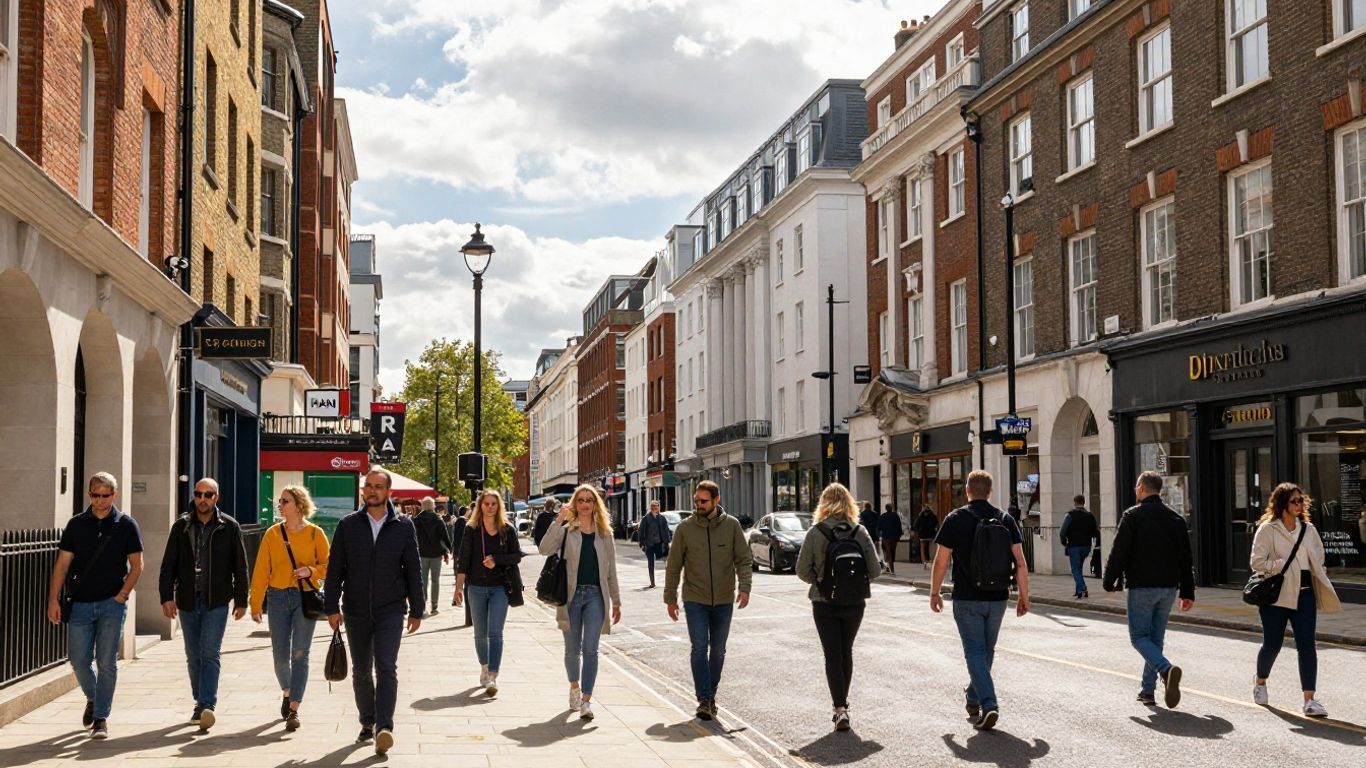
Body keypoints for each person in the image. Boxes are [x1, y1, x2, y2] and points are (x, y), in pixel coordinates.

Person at [324, 467, 424, 756]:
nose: (371, 491)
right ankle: (367, 721)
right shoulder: (348, 525)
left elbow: (413, 570)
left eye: (377, 486)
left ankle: (384, 727)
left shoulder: (404, 526)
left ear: (388, 492)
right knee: (361, 671)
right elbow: (335, 570)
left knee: (387, 667)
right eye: (368, 486)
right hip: (354, 610)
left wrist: (416, 609)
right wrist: (331, 607)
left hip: (391, 609)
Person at [46, 472, 144, 740]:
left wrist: (122, 595)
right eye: (95, 495)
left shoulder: (126, 525)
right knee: (78, 660)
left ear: (114, 495)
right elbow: (62, 565)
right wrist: (53, 599)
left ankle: (101, 718)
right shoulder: (76, 525)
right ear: (89, 494)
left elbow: (137, 565)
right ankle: (94, 697)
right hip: (80, 604)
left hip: (112, 604)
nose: (100, 501)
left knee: (106, 662)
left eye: (105, 495)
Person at [930, 470, 1029, 731]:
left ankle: (989, 704)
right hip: (998, 598)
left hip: (967, 597)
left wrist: (934, 592)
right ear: (990, 491)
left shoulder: (955, 518)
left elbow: (941, 561)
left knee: (975, 652)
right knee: (986, 651)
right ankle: (973, 697)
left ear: (967, 490)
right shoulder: (1005, 519)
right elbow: (1020, 562)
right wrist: (1024, 596)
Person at [158, 478, 249, 731]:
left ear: (216, 497)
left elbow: (240, 566)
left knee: (209, 652)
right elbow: (168, 565)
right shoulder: (181, 526)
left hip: (216, 601)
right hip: (187, 600)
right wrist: (166, 596)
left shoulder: (229, 527)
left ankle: (206, 705)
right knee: (193, 655)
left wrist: (242, 599)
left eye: (208, 495)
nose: (203, 499)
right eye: (199, 494)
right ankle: (200, 700)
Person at [1103, 471, 1195, 710]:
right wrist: (1188, 592)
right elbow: (1186, 559)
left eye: (1136, 488)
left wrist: (1109, 580)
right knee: (1155, 639)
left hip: (1142, 586)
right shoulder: (1175, 519)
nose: (1135, 491)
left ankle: (1165, 669)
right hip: (1168, 588)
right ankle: (1147, 691)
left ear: (1142, 489)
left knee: (1139, 638)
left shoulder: (1132, 516)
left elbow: (1119, 551)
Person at [1250, 483, 1341, 717]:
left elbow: (1318, 558)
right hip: (1277, 596)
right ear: (1282, 503)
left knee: (1307, 646)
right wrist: (1276, 566)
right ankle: (1260, 682)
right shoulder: (1268, 530)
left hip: (1305, 595)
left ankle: (1309, 700)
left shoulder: (1308, 530)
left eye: (1301, 500)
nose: (1299, 505)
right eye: (1294, 501)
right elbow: (1256, 563)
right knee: (1272, 644)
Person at [663, 480, 752, 721]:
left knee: (719, 650)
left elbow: (743, 560)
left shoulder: (732, 526)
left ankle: (711, 693)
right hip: (695, 599)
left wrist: (745, 588)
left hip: (724, 599)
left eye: (703, 501)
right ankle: (703, 698)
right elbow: (673, 566)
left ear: (716, 500)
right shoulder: (685, 528)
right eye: (696, 501)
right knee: (699, 647)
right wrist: (670, 597)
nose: (698, 505)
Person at [796, 483, 880, 731]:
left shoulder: (815, 532)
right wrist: (852, 583)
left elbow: (801, 570)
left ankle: (840, 708)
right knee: (846, 651)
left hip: (824, 603)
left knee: (832, 654)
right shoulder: (860, 532)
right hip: (855, 603)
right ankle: (844, 703)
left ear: (823, 504)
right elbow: (875, 570)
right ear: (849, 504)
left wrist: (822, 582)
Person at [249, 485, 330, 731]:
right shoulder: (273, 534)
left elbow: (330, 567)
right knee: (280, 657)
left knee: (300, 654)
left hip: (305, 597)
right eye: (280, 502)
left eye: (284, 501)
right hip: (277, 598)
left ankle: (294, 708)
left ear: (298, 505)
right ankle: (287, 691)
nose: (280, 505)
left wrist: (310, 571)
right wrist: (255, 603)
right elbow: (261, 570)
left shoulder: (316, 534)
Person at [539, 485, 622, 721]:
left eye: (590, 500)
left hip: (596, 595)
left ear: (596, 504)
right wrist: (559, 520)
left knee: (591, 650)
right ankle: (574, 687)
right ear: (575, 504)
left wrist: (616, 601)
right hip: (571, 596)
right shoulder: (567, 530)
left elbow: (611, 571)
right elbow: (544, 549)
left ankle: (586, 700)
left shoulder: (605, 534)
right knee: (572, 650)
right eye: (581, 500)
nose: (586, 504)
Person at [454, 490, 524, 696]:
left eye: (494, 504)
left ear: (499, 506)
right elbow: (463, 559)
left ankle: (493, 675)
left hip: (500, 588)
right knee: (479, 634)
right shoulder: (472, 529)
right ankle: (484, 666)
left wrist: (497, 560)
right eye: (486, 504)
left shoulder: (507, 530)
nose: (490, 507)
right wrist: (458, 587)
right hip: (475, 587)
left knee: (495, 633)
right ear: (480, 506)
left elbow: (516, 556)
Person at [413, 496, 453, 615]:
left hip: (422, 554)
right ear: (433, 506)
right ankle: (434, 606)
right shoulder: (438, 520)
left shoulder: (417, 520)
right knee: (435, 580)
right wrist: (449, 549)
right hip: (436, 554)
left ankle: (423, 604)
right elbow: (444, 536)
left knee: (423, 580)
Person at [1060, 495, 1099, 599]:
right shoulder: (1090, 515)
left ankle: (1082, 588)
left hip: (1074, 546)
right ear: (1084, 502)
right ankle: (1078, 591)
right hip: (1086, 546)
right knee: (1079, 568)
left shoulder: (1070, 515)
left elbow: (1062, 531)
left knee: (1075, 569)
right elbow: (1095, 531)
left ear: (1074, 502)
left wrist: (1064, 541)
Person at [638, 500, 673, 588]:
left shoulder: (662, 518)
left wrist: (668, 542)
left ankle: (668, 581)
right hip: (649, 544)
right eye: (653, 507)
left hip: (660, 544)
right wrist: (641, 543)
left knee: (666, 562)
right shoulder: (646, 518)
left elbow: (666, 531)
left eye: (656, 507)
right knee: (651, 563)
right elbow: (641, 531)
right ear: (651, 508)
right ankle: (652, 582)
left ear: (659, 508)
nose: (655, 508)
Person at [449, 506, 469, 608]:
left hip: (459, 552)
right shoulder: (462, 521)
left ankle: (456, 600)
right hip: (461, 553)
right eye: (469, 510)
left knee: (461, 578)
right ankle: (456, 600)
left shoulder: (461, 521)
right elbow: (460, 539)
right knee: (461, 578)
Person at [877, 504, 903, 575]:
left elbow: (879, 527)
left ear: (886, 509)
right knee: (892, 551)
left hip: (886, 537)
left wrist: (879, 534)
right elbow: (899, 525)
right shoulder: (895, 516)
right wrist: (900, 534)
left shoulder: (882, 516)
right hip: (894, 537)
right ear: (891, 508)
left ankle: (891, 569)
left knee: (888, 552)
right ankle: (890, 567)